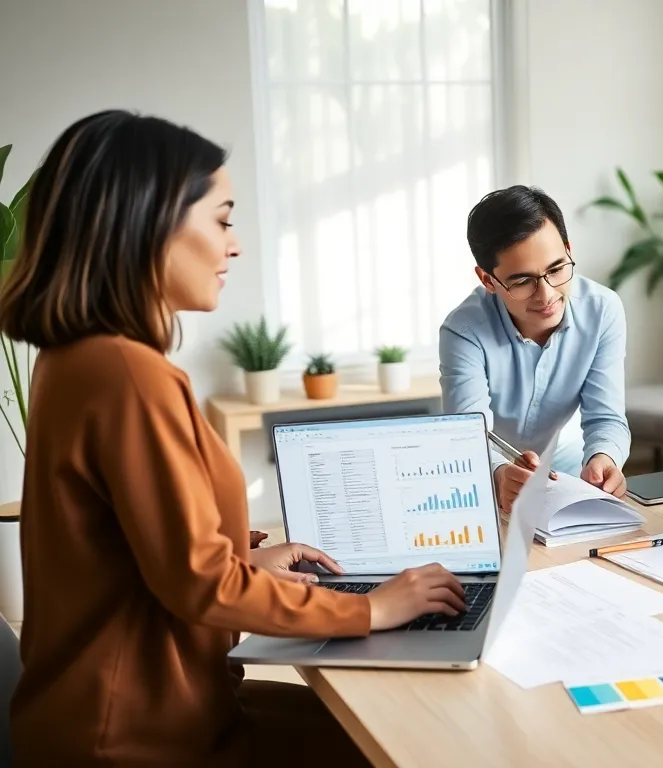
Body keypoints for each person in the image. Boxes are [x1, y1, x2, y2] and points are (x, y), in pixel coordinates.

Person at [2, 110, 467, 765]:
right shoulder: (124, 372)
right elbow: (200, 585)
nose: (235, 244)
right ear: (150, 222)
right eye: (222, 219)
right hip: (135, 738)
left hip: (147, 710)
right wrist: (374, 609)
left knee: (388, 730)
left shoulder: (76, 357)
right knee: (403, 740)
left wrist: (247, 562)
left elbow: (133, 558)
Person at [439, 185, 630, 514]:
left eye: (556, 269)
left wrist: (605, 457)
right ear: (487, 280)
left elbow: (607, 417)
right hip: (485, 480)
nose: (546, 295)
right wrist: (499, 474)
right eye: (523, 281)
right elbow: (468, 435)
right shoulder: (463, 330)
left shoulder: (603, 310)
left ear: (569, 249)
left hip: (567, 477)